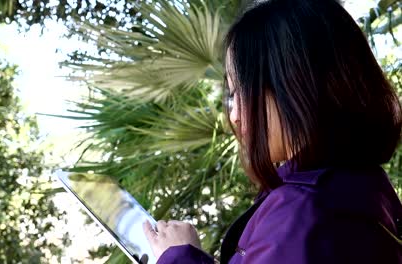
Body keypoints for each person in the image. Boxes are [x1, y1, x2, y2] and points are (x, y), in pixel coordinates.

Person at [142, 0, 402, 263]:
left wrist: (178, 256)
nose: (234, 115)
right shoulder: (365, 188)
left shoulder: (303, 213)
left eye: (241, 90)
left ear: (294, 84)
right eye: (232, 95)